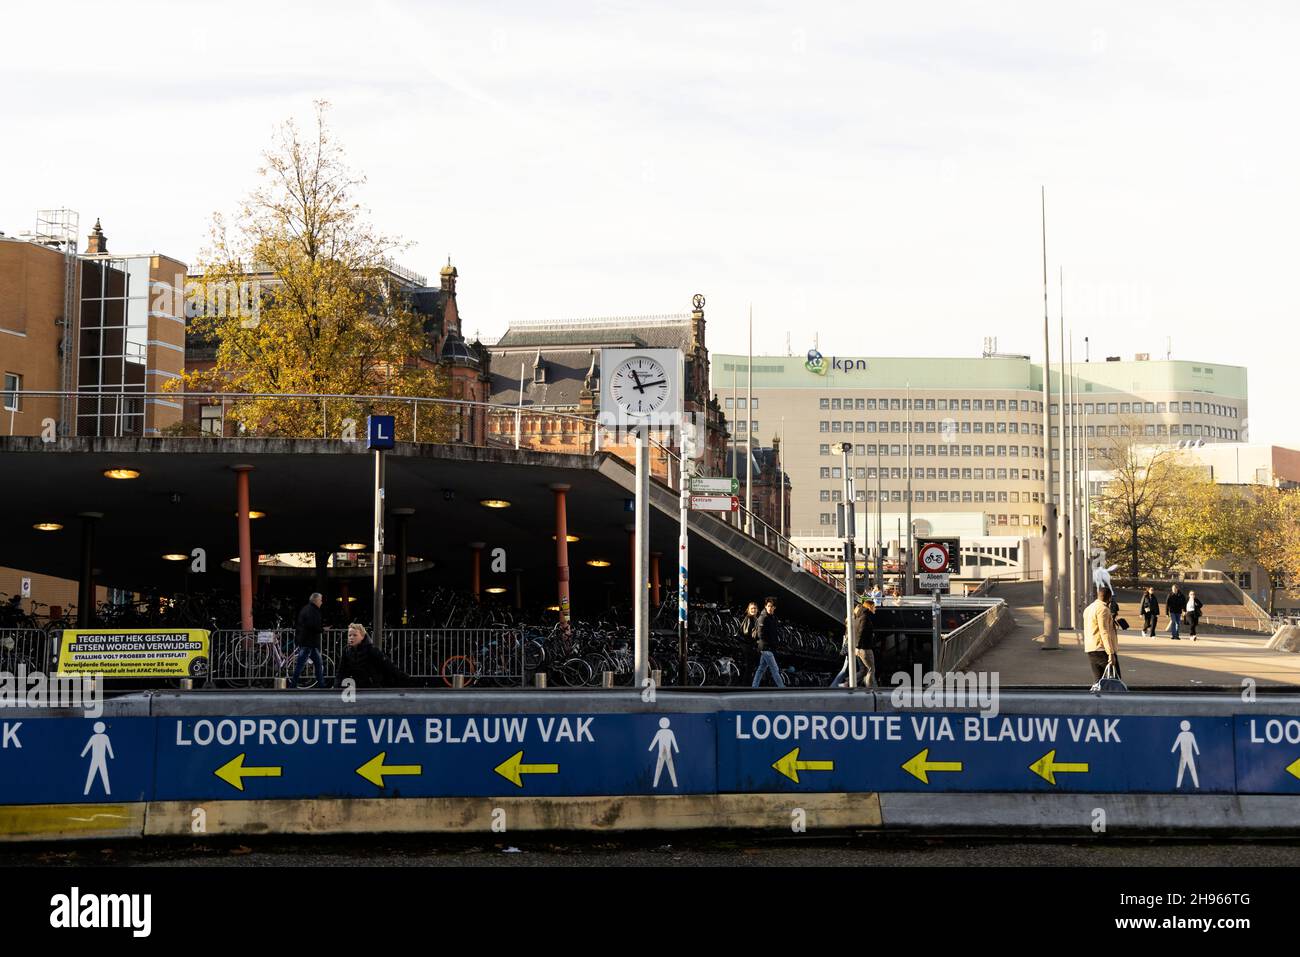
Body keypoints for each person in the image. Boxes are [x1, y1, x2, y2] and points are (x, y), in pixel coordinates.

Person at [336, 623, 409, 689]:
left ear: (362, 636)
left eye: (355, 635)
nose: (351, 637)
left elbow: (388, 665)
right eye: (349, 635)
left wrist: (405, 679)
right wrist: (335, 686)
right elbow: (341, 670)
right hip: (354, 686)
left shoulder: (371, 650)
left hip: (371, 686)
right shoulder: (346, 650)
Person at [832, 597, 876, 688]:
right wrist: (858, 647)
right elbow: (861, 633)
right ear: (870, 607)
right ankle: (870, 688)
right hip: (862, 648)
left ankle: (847, 683)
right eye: (874, 606)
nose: (875, 608)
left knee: (863, 670)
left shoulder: (857, 618)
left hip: (857, 648)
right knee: (870, 669)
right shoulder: (864, 618)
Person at [1083, 584, 1121, 683]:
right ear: (1109, 598)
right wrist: (1111, 653)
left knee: (1099, 681)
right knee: (1115, 681)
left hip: (1091, 648)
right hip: (1102, 649)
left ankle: (1098, 698)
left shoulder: (1088, 609)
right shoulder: (1103, 610)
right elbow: (1104, 632)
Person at [290, 592, 326, 688]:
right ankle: (293, 685)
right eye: (320, 600)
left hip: (307, 641)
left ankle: (321, 685)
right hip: (309, 642)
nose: (321, 602)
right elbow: (313, 625)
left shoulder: (306, 609)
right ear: (316, 600)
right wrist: (323, 629)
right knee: (302, 665)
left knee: (317, 664)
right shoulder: (313, 610)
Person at [751, 597, 785, 688]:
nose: (770, 608)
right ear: (765, 606)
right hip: (765, 647)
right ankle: (782, 688)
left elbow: (774, 633)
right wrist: (769, 644)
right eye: (768, 606)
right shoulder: (763, 617)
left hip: (770, 647)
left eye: (772, 606)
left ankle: (754, 687)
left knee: (761, 669)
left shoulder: (773, 618)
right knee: (775, 669)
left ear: (775, 608)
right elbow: (760, 634)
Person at [738, 600, 760, 676]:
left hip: (751, 644)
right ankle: (746, 683)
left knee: (751, 665)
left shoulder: (755, 619)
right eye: (752, 608)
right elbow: (746, 632)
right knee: (748, 665)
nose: (753, 610)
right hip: (746, 644)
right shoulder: (748, 619)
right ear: (748, 609)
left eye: (755, 608)